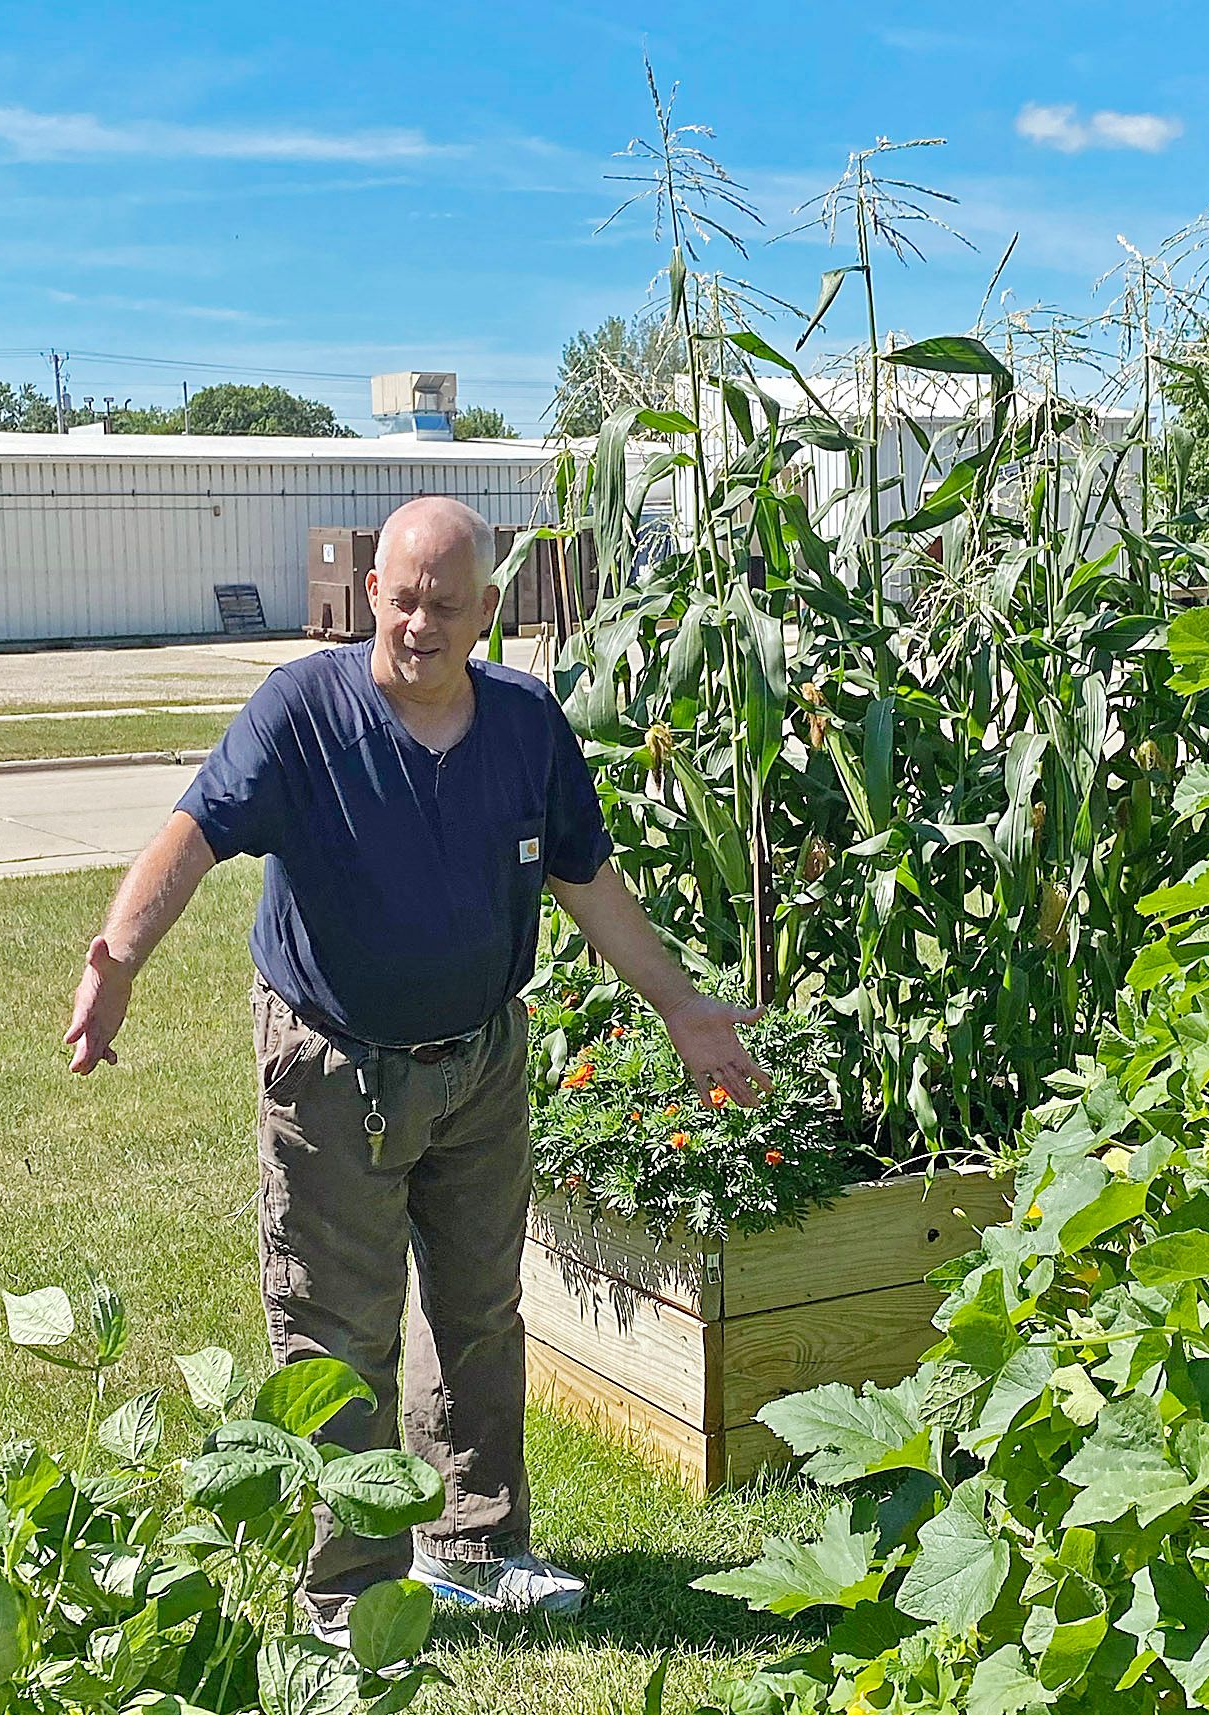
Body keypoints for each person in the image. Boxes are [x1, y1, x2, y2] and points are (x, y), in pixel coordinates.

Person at [64, 495, 766, 1623]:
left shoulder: (529, 727)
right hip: (332, 1066)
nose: (421, 624)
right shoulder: (303, 713)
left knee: (480, 1309)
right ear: (369, 599)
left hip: (479, 1062)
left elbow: (588, 885)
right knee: (336, 1328)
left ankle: (478, 1546)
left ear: (487, 608)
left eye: (446, 603)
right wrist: (120, 957)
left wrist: (683, 1008)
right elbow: (189, 836)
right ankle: (346, 1589)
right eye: (402, 600)